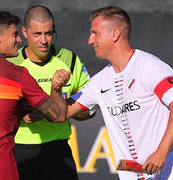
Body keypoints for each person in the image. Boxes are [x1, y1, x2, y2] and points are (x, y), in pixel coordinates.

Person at [66, 6, 173, 180]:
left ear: (115, 34)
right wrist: (53, 90)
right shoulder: (99, 81)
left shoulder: (149, 66)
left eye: (95, 33)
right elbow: (64, 111)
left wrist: (161, 152)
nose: (90, 40)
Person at [0, 9, 70, 180]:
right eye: (15, 35)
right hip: (2, 170)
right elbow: (58, 115)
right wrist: (56, 89)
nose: (19, 40)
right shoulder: (17, 74)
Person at [7, 5, 92, 180]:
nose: (44, 40)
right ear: (24, 32)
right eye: (37, 34)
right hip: (19, 150)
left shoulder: (70, 59)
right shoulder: (11, 63)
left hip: (58, 151)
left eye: (49, 33)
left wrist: (61, 111)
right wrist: (19, 114)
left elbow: (90, 107)